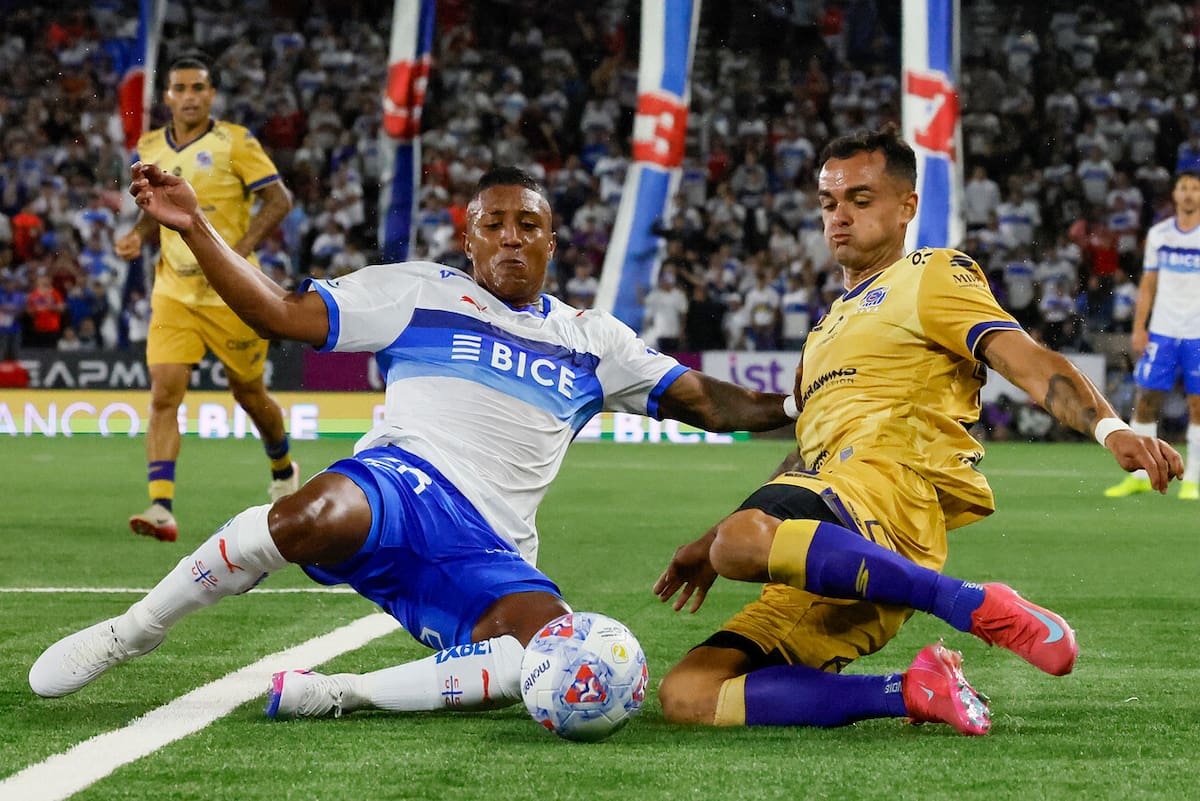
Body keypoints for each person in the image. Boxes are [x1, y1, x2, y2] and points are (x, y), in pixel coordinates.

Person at [29, 165, 797, 721]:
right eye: (492, 224)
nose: (509, 238)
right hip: (404, 480)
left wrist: (807, 402)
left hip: (492, 545)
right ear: (468, 238)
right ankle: (131, 632)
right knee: (306, 518)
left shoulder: (593, 339)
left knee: (543, 656)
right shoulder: (418, 291)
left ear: (554, 242)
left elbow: (712, 399)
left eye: (528, 225)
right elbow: (278, 314)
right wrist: (195, 226)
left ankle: (344, 692)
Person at [653, 129, 1183, 736]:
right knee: (689, 693)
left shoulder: (929, 275)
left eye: (859, 198)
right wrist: (710, 538)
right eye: (829, 204)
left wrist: (1110, 427)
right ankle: (914, 691)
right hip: (830, 536)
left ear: (907, 207)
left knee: (740, 542)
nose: (839, 217)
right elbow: (803, 460)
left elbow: (1026, 359)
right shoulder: (824, 331)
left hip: (890, 496)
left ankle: (974, 605)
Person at [114, 56, 298, 543]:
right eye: (180, 88)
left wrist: (236, 253)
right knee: (164, 394)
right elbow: (158, 208)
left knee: (249, 393)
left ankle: (282, 468)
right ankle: (160, 506)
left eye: (198, 87)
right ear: (168, 96)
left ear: (211, 94)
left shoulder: (236, 141)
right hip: (174, 292)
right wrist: (137, 233)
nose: (190, 95)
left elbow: (280, 199)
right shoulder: (149, 145)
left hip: (233, 296)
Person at [1105, 170, 1200, 501]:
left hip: (1197, 332)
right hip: (1162, 330)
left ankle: (1194, 481)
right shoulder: (1160, 234)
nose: (1188, 194)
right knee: (1145, 402)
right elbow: (1148, 284)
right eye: (1183, 188)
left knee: (1197, 405)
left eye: (1194, 189)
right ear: (1175, 195)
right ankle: (1142, 476)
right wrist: (1139, 327)